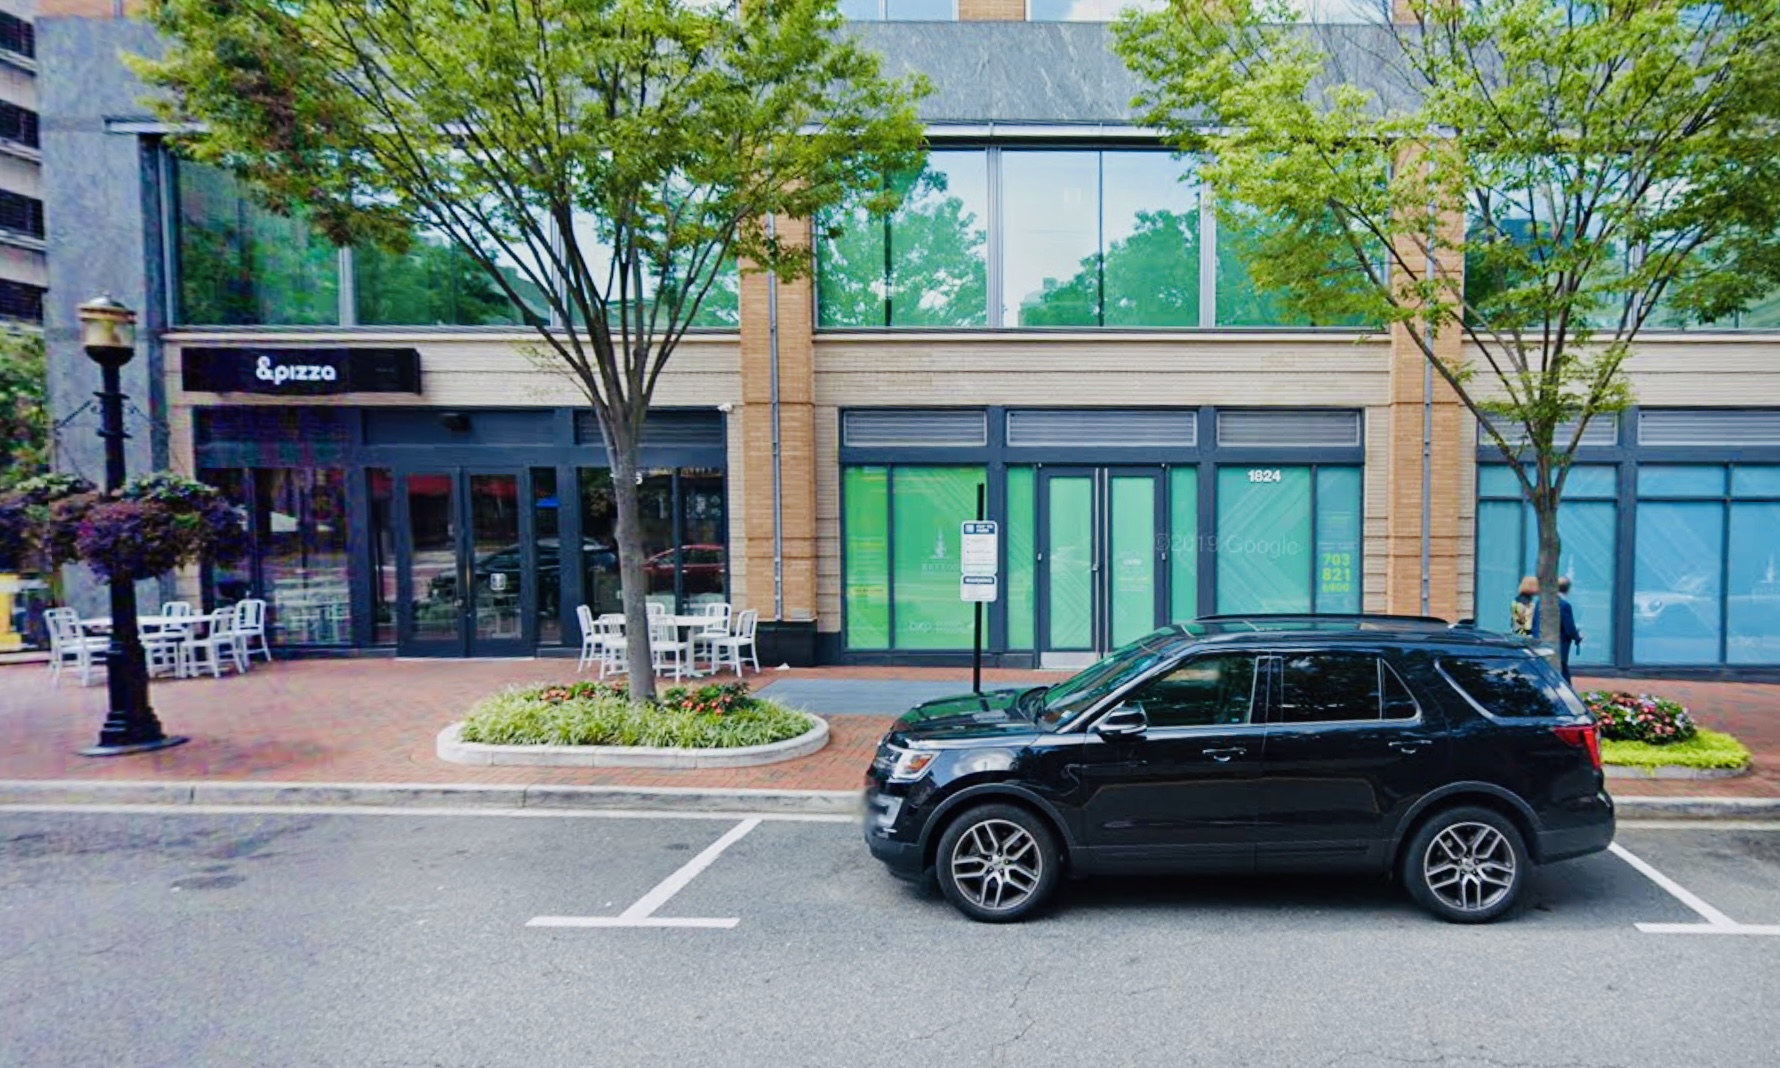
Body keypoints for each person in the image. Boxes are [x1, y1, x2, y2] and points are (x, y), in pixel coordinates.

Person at [1532, 576, 1584, 682]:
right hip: (1558, 646)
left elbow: (1534, 624)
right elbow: (1569, 629)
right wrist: (1578, 637)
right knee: (1562, 675)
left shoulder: (1540, 602)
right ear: (1567, 589)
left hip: (1540, 643)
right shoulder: (1564, 605)